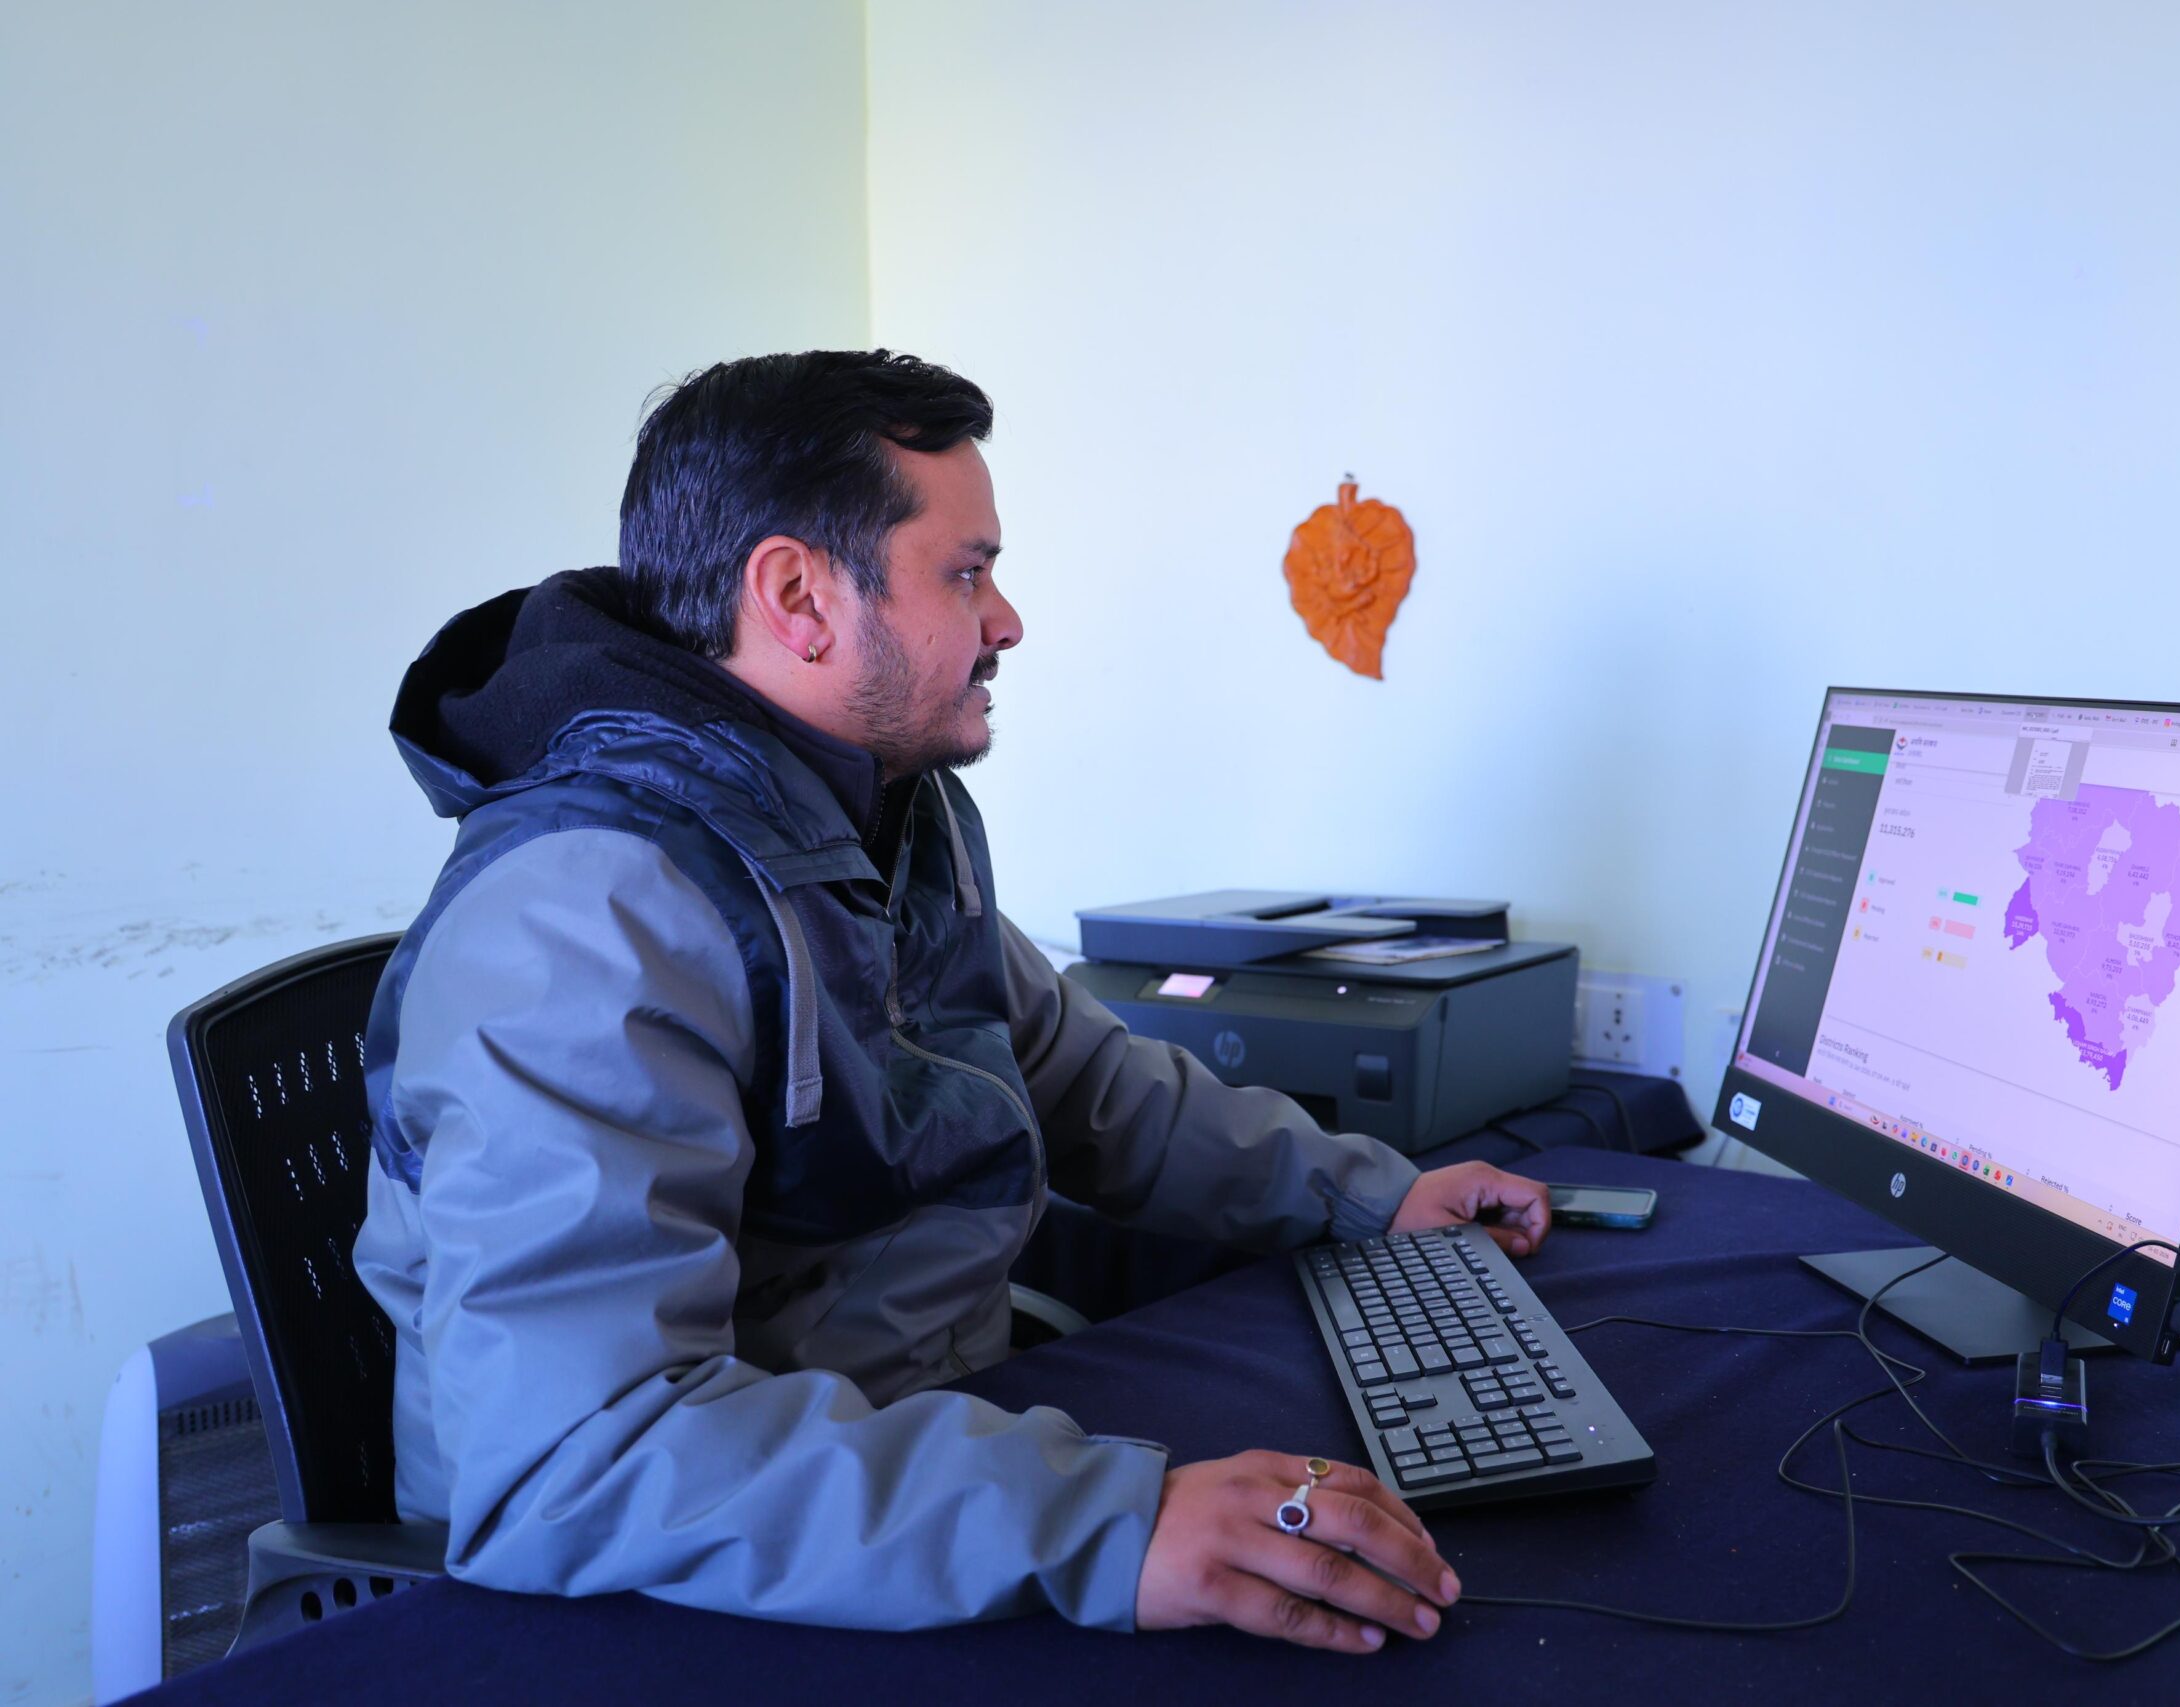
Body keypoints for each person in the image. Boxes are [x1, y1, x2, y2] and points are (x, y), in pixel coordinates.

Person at [353, 349, 1555, 1654]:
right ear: (800, 597)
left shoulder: (879, 813)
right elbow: (580, 1459)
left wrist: (1370, 1200)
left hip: (907, 1468)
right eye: (967, 574)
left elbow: (1088, 1084)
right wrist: (1104, 1522)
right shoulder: (586, 918)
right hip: (679, 1565)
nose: (1008, 620)